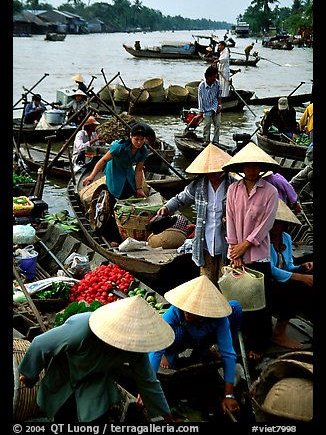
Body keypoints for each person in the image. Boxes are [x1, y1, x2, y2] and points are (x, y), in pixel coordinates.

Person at [18, 295, 175, 423]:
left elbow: (148, 382)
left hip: (95, 382)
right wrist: (29, 374)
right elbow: (40, 344)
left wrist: (167, 416)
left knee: (95, 417)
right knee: (64, 414)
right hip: (66, 374)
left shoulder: (135, 347)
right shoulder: (82, 328)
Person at [148, 275, 241, 415]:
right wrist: (148, 389)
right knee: (174, 337)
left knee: (235, 307)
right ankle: (168, 354)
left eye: (193, 311)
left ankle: (205, 351)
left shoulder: (218, 318)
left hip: (204, 336)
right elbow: (157, 343)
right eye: (186, 309)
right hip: (182, 337)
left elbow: (229, 354)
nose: (187, 313)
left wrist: (229, 395)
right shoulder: (176, 310)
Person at [222, 142, 280, 360]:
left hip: (258, 253)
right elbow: (231, 221)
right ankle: (240, 339)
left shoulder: (270, 191)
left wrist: (245, 245)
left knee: (259, 302)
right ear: (242, 167)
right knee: (238, 299)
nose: (252, 170)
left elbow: (266, 224)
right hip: (237, 252)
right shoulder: (233, 189)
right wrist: (234, 251)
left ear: (261, 167)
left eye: (256, 166)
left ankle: (259, 343)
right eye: (248, 166)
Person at [156, 143, 235, 286]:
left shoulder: (234, 186)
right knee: (205, 283)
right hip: (204, 243)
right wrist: (167, 208)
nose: (212, 173)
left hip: (227, 242)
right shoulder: (198, 185)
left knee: (225, 283)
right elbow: (181, 199)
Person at [269, 199, 313, 348]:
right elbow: (271, 270)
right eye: (273, 222)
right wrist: (300, 277)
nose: (276, 226)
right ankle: (279, 334)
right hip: (268, 284)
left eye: (279, 222)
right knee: (299, 287)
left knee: (310, 270)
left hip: (283, 278)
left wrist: (301, 267)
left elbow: (288, 265)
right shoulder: (263, 240)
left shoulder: (286, 238)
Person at [82, 122, 148, 203]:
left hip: (128, 170)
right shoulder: (120, 146)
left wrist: (139, 189)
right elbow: (103, 160)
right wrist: (91, 176)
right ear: (131, 137)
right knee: (115, 193)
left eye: (142, 139)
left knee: (132, 191)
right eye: (136, 139)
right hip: (114, 169)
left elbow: (138, 170)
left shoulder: (143, 150)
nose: (139, 142)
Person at [194, 66, 222, 145]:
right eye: (213, 77)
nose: (215, 78)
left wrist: (219, 105)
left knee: (217, 125)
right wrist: (201, 112)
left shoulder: (217, 83)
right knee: (207, 125)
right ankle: (206, 141)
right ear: (208, 77)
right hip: (206, 108)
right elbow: (200, 100)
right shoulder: (201, 86)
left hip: (215, 105)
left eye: (215, 76)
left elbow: (219, 94)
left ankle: (216, 141)